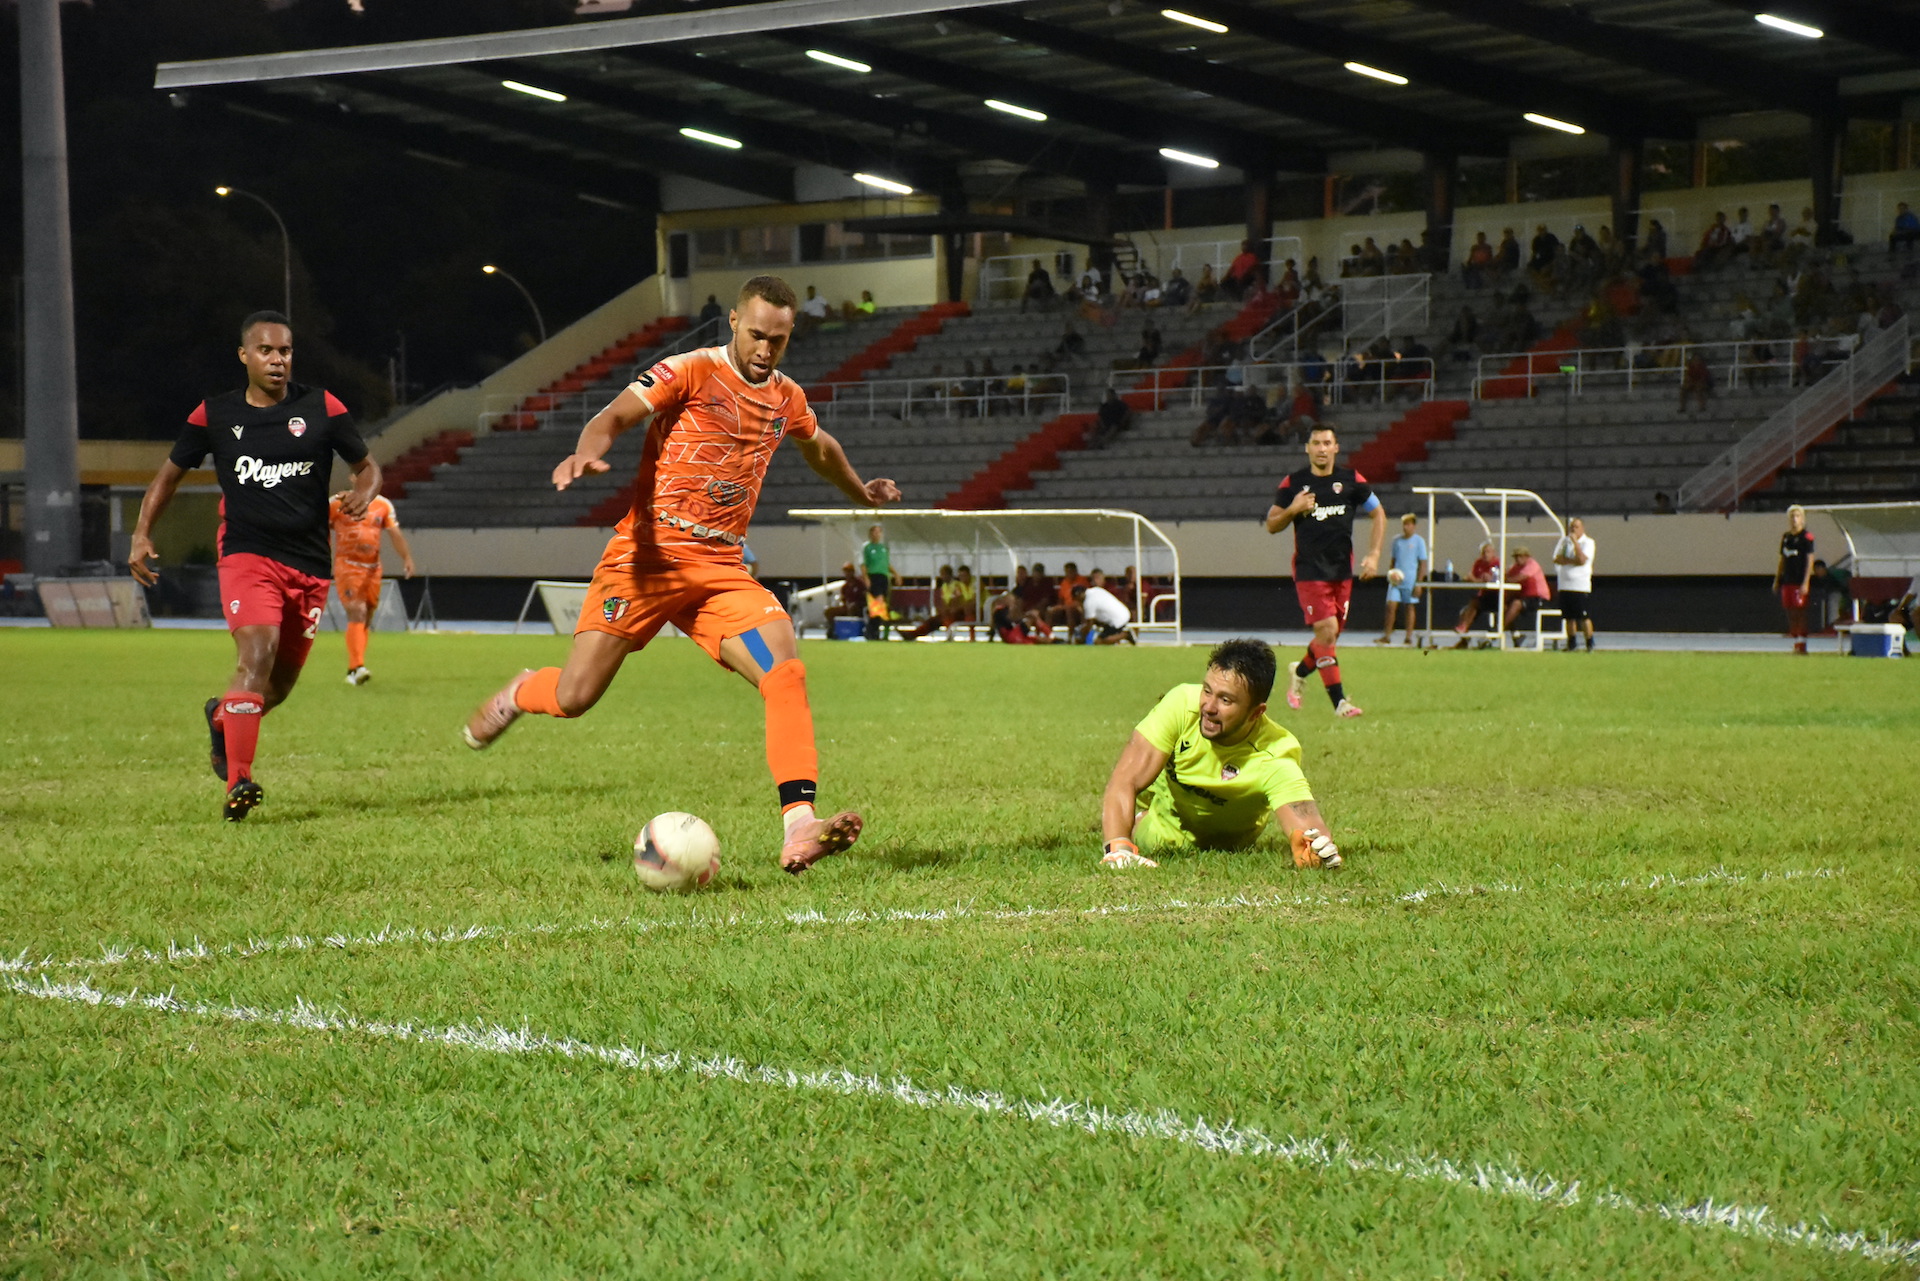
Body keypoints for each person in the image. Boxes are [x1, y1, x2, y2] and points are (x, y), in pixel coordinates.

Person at [459, 275, 900, 874]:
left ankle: (799, 825)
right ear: (735, 325)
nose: (765, 350)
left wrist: (860, 491)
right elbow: (615, 415)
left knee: (786, 670)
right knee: (575, 696)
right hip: (645, 560)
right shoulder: (689, 370)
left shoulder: (785, 397)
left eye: (779, 339)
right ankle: (520, 691)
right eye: (756, 335)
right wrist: (588, 448)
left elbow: (819, 445)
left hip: (720, 569)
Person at [128, 310, 380, 820]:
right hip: (247, 556)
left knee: (277, 687)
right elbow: (167, 478)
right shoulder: (213, 415)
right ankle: (239, 783)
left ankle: (222, 717)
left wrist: (364, 491)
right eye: (265, 351)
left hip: (310, 566)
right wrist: (140, 532)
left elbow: (367, 466)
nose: (277, 360)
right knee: (255, 655)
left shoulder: (323, 407)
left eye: (285, 351)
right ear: (244, 356)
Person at [1096, 639, 1342, 870]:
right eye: (1207, 690)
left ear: (1256, 713)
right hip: (1159, 830)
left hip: (1229, 847)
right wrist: (1119, 848)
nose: (1209, 707)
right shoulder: (1181, 705)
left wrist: (1316, 850)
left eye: (1225, 700)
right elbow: (1124, 779)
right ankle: (1140, 817)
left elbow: (1308, 826)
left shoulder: (1274, 753)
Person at [1266, 424, 1385, 717]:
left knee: (1327, 640)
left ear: (1336, 447)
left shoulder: (1351, 480)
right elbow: (1271, 524)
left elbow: (1378, 512)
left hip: (1341, 573)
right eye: (1315, 443)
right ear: (1307, 448)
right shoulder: (1293, 483)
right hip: (1310, 572)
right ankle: (1340, 703)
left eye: (1326, 443)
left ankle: (1300, 671)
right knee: (1327, 632)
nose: (1321, 448)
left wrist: (1373, 554)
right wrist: (1293, 509)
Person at [328, 488, 414, 685]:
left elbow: (394, 532)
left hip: (373, 568)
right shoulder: (336, 503)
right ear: (352, 478)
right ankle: (358, 666)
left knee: (366, 615)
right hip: (347, 565)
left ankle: (353, 670)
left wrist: (406, 557)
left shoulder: (383, 504)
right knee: (356, 610)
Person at [1377, 512, 1427, 646]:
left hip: (1410, 581)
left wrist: (1419, 583)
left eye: (1408, 524)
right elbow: (1393, 560)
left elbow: (1422, 563)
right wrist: (1391, 574)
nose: (1405, 527)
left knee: (1409, 607)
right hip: (1396, 580)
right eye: (1404, 524)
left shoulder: (1419, 542)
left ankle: (1408, 637)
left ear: (1414, 526)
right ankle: (1387, 635)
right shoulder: (1396, 541)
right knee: (1391, 606)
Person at [1773, 504, 1815, 654]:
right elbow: (1782, 559)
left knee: (1800, 612)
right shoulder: (1786, 537)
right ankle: (1795, 641)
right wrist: (1777, 579)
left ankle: (1802, 644)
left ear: (1802, 519)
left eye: (1797, 516)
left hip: (1799, 581)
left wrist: (1806, 582)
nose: (1794, 520)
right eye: (1792, 517)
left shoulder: (1806, 537)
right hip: (1787, 581)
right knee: (1790, 611)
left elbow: (1810, 560)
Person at [1551, 515, 1596, 651]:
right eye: (1571, 527)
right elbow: (1557, 558)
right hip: (1565, 584)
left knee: (1583, 616)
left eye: (1576, 527)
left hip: (1580, 586)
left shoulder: (1588, 542)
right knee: (1568, 616)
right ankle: (1572, 643)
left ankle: (1589, 643)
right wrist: (1572, 560)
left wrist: (1575, 543)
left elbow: (1582, 560)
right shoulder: (1564, 541)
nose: (1573, 529)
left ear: (1582, 528)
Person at [1451, 540, 1502, 645]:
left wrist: (1474, 579)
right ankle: (1463, 638)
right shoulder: (1478, 563)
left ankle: (1464, 628)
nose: (1485, 554)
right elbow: (1471, 576)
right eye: (1483, 552)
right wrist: (1471, 578)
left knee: (1474, 603)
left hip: (1496, 597)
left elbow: (1490, 580)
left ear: (1493, 553)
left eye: (1488, 552)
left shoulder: (1497, 564)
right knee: (1465, 610)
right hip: (1484, 596)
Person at [1502, 545, 1551, 643]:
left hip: (1538, 598)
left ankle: (1498, 629)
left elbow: (1520, 577)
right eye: (1516, 557)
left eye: (1520, 556)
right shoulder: (1515, 567)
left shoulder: (1532, 565)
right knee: (1503, 606)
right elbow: (1508, 575)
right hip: (1524, 597)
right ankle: (1516, 635)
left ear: (1527, 556)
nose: (1518, 559)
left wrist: (1505, 580)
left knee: (1516, 604)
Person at [1074, 578, 1136, 645]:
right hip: (1122, 612)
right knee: (1102, 633)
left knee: (1099, 642)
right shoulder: (1096, 590)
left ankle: (1125, 635)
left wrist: (1082, 638)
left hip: (1117, 620)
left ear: (1078, 595)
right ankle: (1115, 639)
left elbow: (1089, 624)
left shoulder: (1088, 602)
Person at [823, 560, 866, 633]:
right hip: (847, 607)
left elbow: (864, 597)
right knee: (829, 611)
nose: (847, 573)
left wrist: (855, 604)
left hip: (858, 608)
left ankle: (851, 630)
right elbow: (843, 599)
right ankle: (832, 630)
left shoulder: (860, 584)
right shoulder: (845, 587)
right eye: (845, 571)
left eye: (849, 571)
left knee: (852, 608)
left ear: (853, 572)